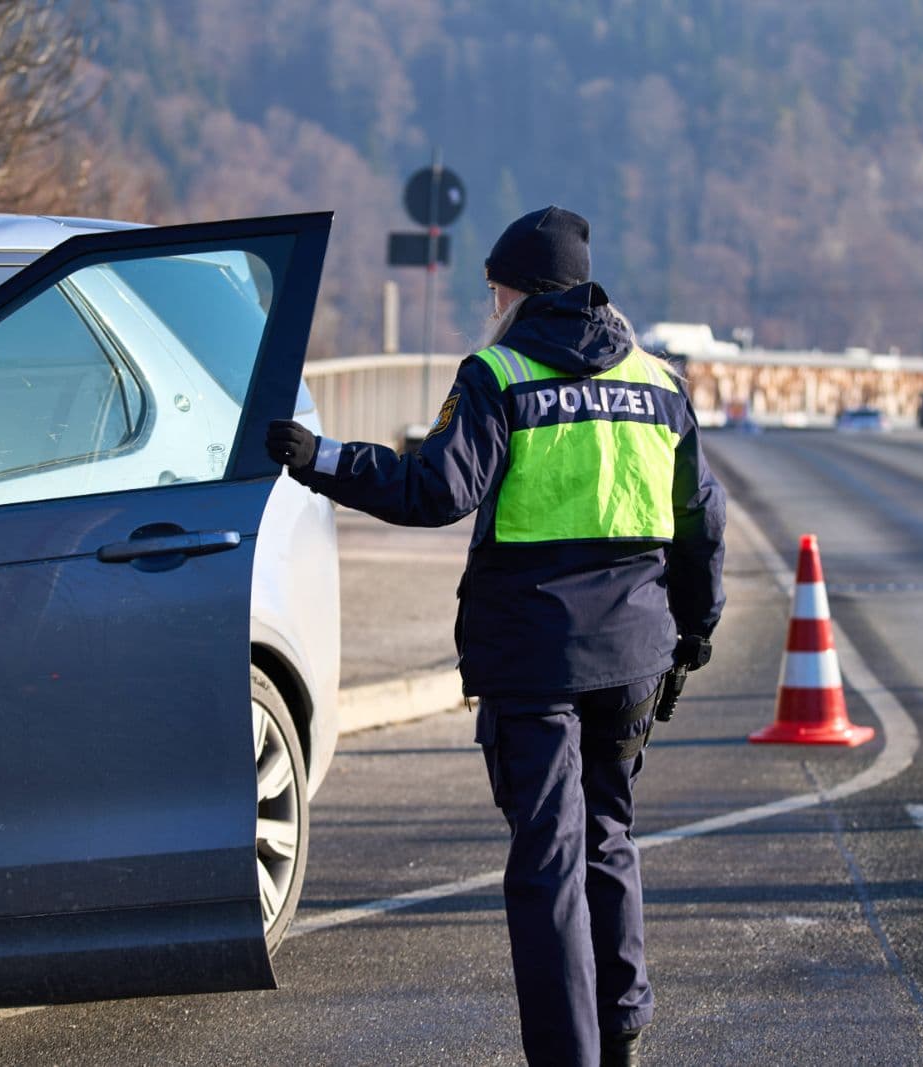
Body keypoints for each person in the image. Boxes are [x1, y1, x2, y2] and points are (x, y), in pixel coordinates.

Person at [266, 205, 725, 1067]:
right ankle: (621, 1030)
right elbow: (700, 520)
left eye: (494, 289)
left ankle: (567, 1055)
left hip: (534, 660)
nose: (490, 304)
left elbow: (436, 489)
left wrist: (323, 459)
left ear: (522, 290)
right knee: (609, 836)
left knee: (549, 862)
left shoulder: (499, 372)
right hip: (632, 659)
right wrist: (691, 635)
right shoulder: (659, 382)